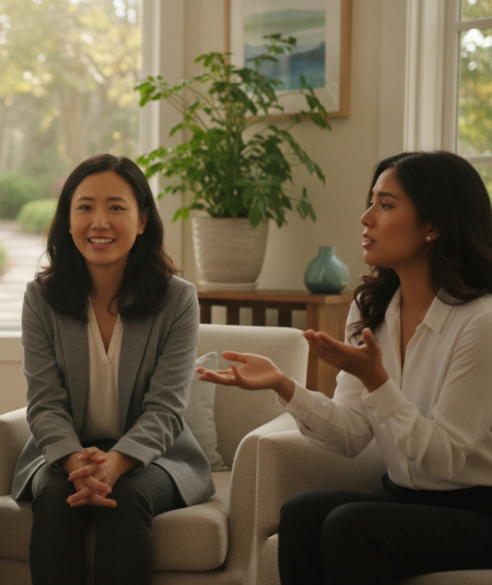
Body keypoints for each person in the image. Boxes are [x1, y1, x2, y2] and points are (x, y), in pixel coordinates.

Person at [197, 151, 492, 584]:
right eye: (371, 201)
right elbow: (352, 435)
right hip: (407, 497)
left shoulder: (480, 322)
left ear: (433, 227)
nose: (365, 218)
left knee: (349, 526)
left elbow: (441, 462)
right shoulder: (371, 308)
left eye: (386, 205)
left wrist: (378, 381)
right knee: (301, 513)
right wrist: (284, 385)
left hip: (478, 507)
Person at [12, 154, 215, 585]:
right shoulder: (40, 298)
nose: (98, 221)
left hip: (154, 457)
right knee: (53, 497)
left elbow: (167, 408)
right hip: (67, 452)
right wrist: (75, 464)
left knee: (125, 493)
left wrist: (115, 463)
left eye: (116, 207)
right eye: (84, 207)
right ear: (68, 220)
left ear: (142, 220)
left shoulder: (177, 298)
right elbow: (44, 403)